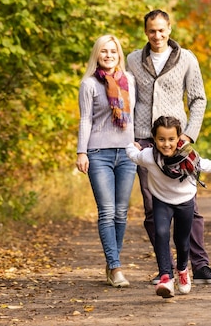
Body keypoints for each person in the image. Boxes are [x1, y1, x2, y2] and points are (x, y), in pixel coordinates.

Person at [126, 9, 211, 285]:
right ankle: (166, 269)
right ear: (145, 32)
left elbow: (198, 99)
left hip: (178, 141)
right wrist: (129, 136)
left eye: (161, 30)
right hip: (146, 139)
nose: (156, 35)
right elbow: (127, 99)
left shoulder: (186, 59)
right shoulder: (134, 60)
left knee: (189, 205)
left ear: (169, 29)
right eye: (151, 31)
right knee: (151, 207)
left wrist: (190, 135)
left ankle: (200, 265)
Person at [126, 116, 211, 298]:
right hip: (162, 200)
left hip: (185, 202)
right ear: (154, 139)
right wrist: (132, 145)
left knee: (182, 241)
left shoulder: (189, 157)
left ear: (179, 139)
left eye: (171, 139)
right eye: (161, 139)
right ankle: (166, 278)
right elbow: (133, 155)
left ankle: (183, 270)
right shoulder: (148, 156)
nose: (166, 144)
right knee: (161, 233)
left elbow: (208, 165)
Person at [76, 34, 137, 288]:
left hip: (127, 153)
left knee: (122, 213)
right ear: (97, 55)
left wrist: (137, 142)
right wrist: (81, 152)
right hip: (98, 154)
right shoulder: (88, 84)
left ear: (119, 55)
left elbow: (136, 114)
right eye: (104, 51)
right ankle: (115, 266)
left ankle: (113, 262)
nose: (109, 55)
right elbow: (85, 120)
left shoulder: (129, 81)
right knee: (107, 212)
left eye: (113, 51)